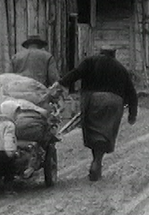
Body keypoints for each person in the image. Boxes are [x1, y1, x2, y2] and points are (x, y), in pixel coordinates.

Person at [50, 48, 138, 181]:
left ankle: (96, 160)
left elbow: (76, 73)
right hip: (114, 102)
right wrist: (132, 114)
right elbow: (132, 92)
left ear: (100, 53)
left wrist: (61, 83)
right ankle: (97, 160)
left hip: (93, 99)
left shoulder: (90, 61)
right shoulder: (121, 68)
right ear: (114, 55)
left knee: (93, 132)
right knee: (105, 133)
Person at [0, 100, 21, 198]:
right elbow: (8, 139)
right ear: (10, 112)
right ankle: (8, 191)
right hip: (5, 152)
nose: (16, 116)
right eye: (15, 113)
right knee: (9, 171)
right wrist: (11, 153)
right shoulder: (9, 125)